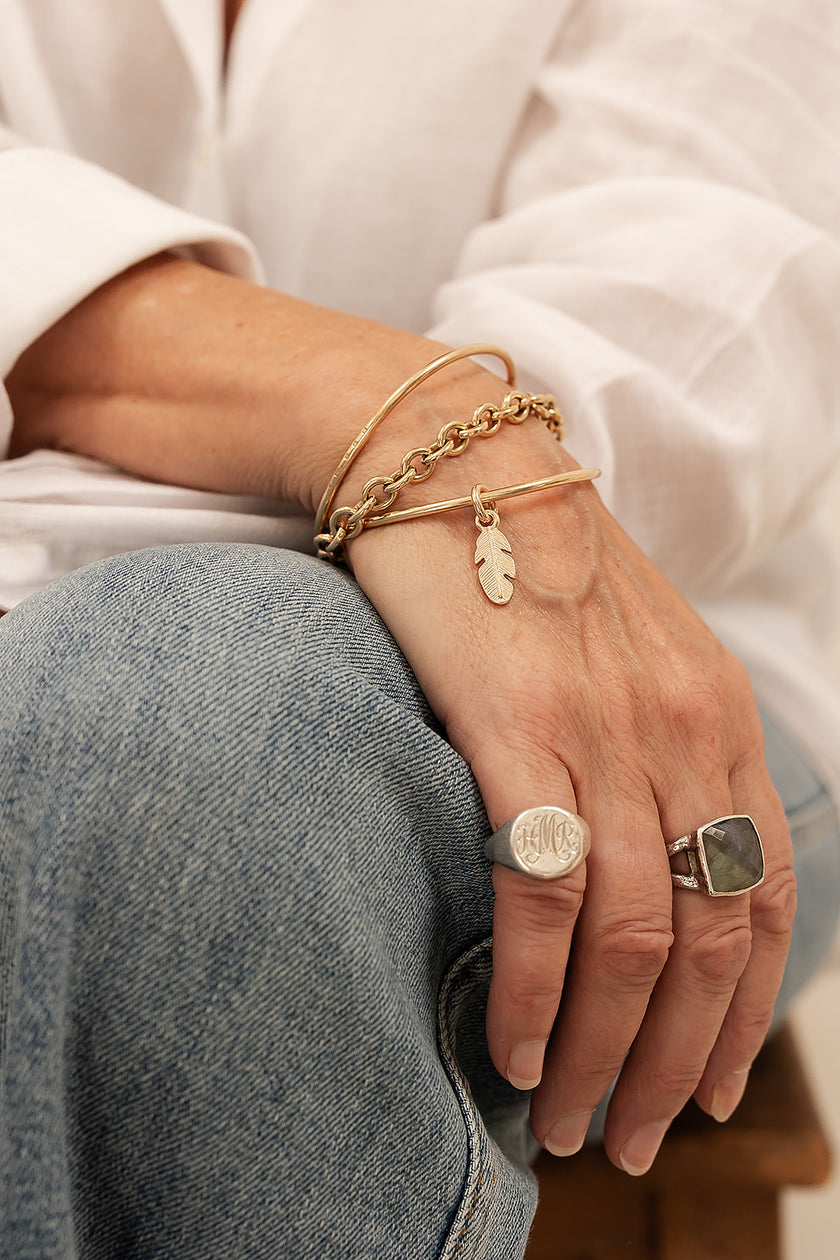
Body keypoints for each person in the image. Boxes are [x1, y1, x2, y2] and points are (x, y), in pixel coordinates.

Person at [2, 2, 840, 1256]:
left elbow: (688, 329)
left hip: (641, 711)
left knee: (179, 710)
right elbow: (510, 475)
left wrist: (72, 398)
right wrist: (399, 423)